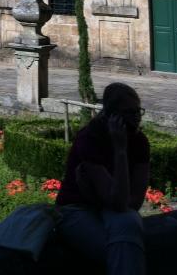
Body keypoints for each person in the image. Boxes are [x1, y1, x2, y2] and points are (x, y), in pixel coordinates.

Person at [56, 82, 149, 275]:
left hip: (111, 209)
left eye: (137, 111)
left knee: (128, 223)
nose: (136, 118)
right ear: (111, 115)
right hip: (76, 209)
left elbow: (132, 203)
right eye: (128, 113)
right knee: (123, 249)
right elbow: (119, 202)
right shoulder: (90, 139)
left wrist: (121, 150)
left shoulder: (139, 142)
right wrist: (120, 150)